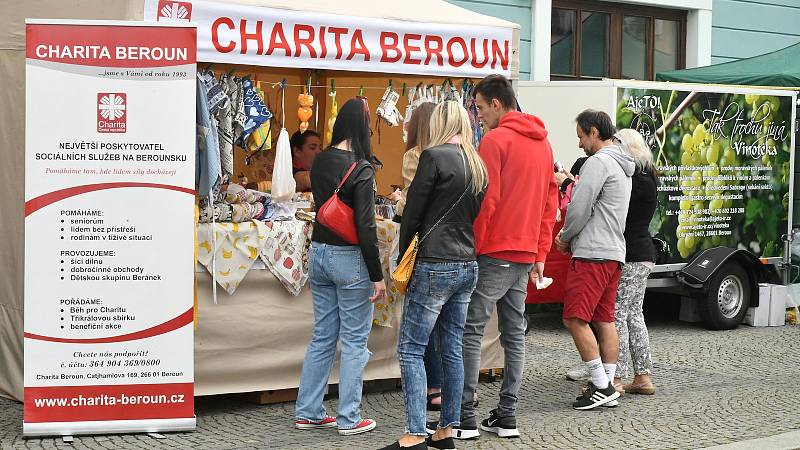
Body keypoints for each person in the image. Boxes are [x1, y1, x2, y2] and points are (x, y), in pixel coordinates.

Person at [453, 74, 558, 440]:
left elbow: (488, 200)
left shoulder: (495, 141)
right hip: (525, 253)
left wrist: (474, 247)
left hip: (495, 250)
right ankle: (507, 415)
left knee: (471, 331)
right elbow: (550, 206)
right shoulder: (544, 145)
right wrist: (540, 252)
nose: (477, 115)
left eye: (480, 108)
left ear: (496, 103)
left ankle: (465, 417)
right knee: (514, 334)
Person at [379, 101, 487, 450]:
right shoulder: (476, 162)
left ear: (439, 123)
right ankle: (447, 430)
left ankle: (414, 433)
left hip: (434, 261)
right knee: (451, 348)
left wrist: (402, 257)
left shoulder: (434, 156)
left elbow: (413, 213)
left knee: (411, 349)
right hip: (466, 262)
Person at [294, 99, 387, 436]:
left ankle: (308, 411)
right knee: (353, 341)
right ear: (362, 128)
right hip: (349, 259)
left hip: (318, 253)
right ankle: (349, 418)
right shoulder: (361, 168)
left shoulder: (319, 162)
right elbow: (366, 227)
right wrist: (377, 276)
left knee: (322, 336)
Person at [555, 109, 634, 410]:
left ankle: (601, 385)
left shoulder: (598, 163)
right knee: (604, 319)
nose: (579, 145)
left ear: (593, 132)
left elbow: (579, 206)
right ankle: (608, 384)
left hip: (592, 252)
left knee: (574, 319)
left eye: (580, 137)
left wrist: (564, 237)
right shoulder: (622, 163)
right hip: (614, 251)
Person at [388, 102, 446, 412]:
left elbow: (414, 204)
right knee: (443, 324)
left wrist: (398, 201)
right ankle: (443, 388)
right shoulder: (456, 156)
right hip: (450, 246)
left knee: (420, 321)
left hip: (421, 242)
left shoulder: (417, 156)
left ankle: (430, 388)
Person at [613, 128, 658, 396]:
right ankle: (643, 376)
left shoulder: (633, 180)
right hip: (645, 252)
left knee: (617, 314)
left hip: (630, 253)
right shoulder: (649, 176)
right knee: (634, 315)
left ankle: (615, 377)